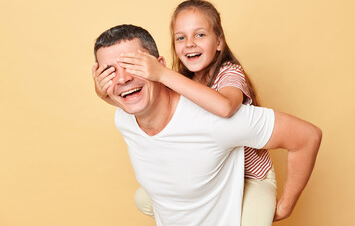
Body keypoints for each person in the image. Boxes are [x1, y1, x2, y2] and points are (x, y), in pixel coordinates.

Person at [92, 24, 321, 226]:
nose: (122, 79)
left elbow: (306, 137)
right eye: (109, 72)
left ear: (159, 67)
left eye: (133, 65)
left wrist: (285, 207)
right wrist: (104, 93)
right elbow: (124, 95)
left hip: (250, 182)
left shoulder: (214, 121)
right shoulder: (125, 118)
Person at [114, 0, 275, 225]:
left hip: (250, 177)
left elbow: (225, 107)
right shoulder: (183, 79)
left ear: (219, 42)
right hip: (213, 176)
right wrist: (103, 91)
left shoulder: (229, 73)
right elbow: (143, 99)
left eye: (199, 35)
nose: (189, 44)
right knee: (144, 198)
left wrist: (162, 74)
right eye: (181, 38)